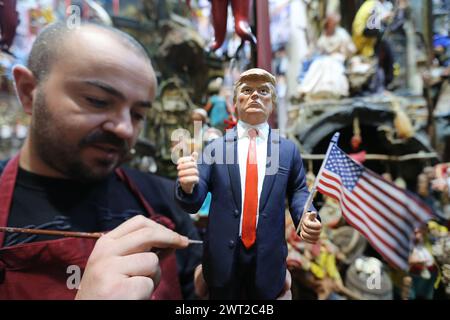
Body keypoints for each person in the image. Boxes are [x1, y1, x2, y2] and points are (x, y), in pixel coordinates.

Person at [0, 22, 202, 299]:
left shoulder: (165, 203)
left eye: (138, 114)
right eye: (97, 101)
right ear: (28, 91)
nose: (125, 129)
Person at [175, 68, 322, 299]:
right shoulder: (216, 149)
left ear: (272, 103)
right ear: (235, 102)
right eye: (247, 90)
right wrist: (188, 185)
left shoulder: (287, 150)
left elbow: (298, 192)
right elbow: (194, 201)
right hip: (222, 262)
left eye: (263, 91)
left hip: (268, 261)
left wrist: (306, 216)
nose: (255, 95)